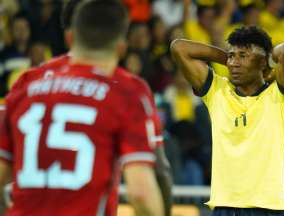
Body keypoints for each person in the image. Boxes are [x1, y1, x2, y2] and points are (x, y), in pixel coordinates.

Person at [0, 1, 165, 215]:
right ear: (121, 48)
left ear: (70, 38)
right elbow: (141, 193)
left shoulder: (25, 86)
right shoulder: (126, 92)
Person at [171, 26, 284, 216]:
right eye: (232, 56)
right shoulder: (217, 92)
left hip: (269, 208)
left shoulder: (281, 97)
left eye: (243, 55)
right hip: (224, 207)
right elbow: (179, 48)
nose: (234, 62)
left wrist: (267, 58)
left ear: (263, 61)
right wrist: (227, 57)